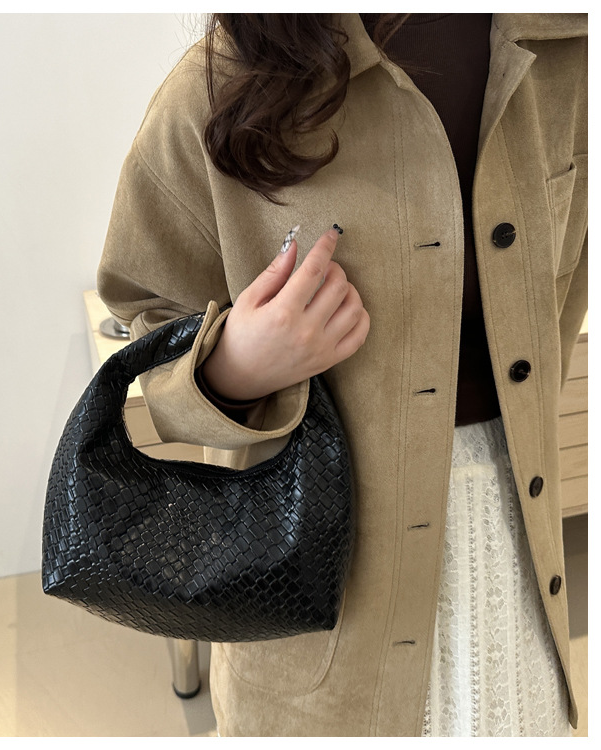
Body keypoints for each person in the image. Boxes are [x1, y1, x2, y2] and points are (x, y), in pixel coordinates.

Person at [96, 13, 587, 737]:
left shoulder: (568, 48)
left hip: (516, 536)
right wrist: (235, 366)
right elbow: (145, 311)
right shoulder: (221, 82)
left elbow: (561, 291)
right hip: (322, 568)